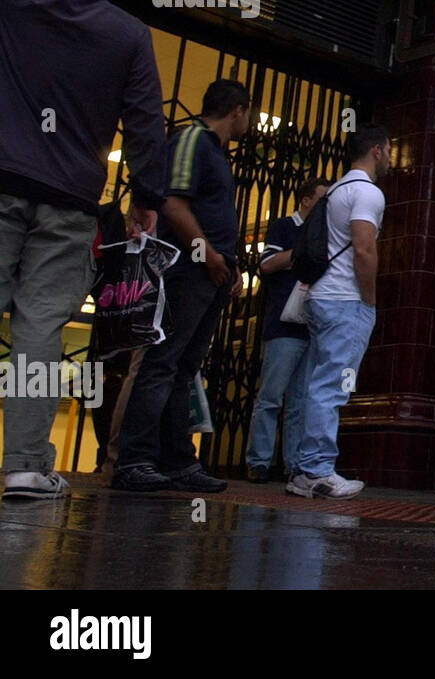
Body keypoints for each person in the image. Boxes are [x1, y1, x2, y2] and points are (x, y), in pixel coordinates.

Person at [0, 0, 166, 499]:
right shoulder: (127, 32)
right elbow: (147, 123)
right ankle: (23, 464)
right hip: (69, 198)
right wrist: (147, 198)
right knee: (41, 326)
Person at [113, 79, 252, 493]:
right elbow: (173, 202)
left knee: (183, 368)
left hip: (210, 272)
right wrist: (207, 255)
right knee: (163, 362)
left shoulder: (215, 152)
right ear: (239, 111)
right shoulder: (194, 139)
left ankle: (178, 461)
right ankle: (135, 459)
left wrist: (227, 263)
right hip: (189, 271)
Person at [286, 125, 388, 499]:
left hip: (320, 298)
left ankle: (303, 468)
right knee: (332, 386)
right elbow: (364, 248)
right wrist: (369, 299)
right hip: (345, 300)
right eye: (389, 149)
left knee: (316, 384)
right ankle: (316, 470)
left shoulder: (336, 191)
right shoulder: (366, 192)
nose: (390, 157)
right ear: (377, 151)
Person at [245, 176, 329, 482]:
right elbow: (266, 264)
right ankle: (259, 461)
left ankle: (293, 464)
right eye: (322, 198)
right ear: (306, 199)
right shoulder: (284, 227)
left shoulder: (327, 233)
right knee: (270, 396)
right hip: (283, 324)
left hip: (311, 325)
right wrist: (301, 252)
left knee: (299, 401)